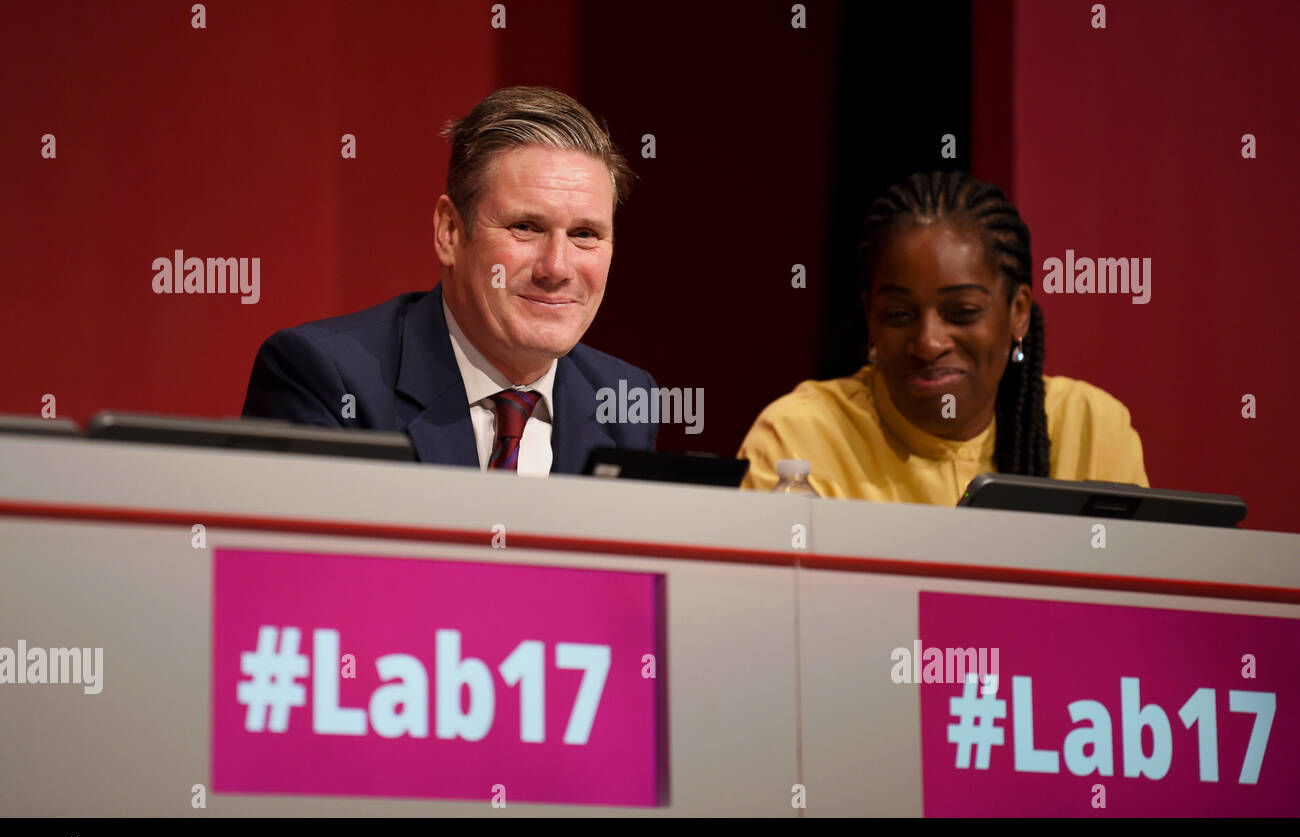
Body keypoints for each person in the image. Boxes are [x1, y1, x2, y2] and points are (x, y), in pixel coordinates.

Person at [241, 86, 656, 475]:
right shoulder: (326, 379)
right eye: (525, 226)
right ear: (450, 232)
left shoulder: (624, 399)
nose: (557, 268)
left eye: (585, 234)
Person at [738, 170, 1148, 503]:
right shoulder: (800, 436)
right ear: (869, 316)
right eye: (898, 315)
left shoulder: (1091, 427)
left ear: (1018, 312)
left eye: (962, 313)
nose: (930, 343)